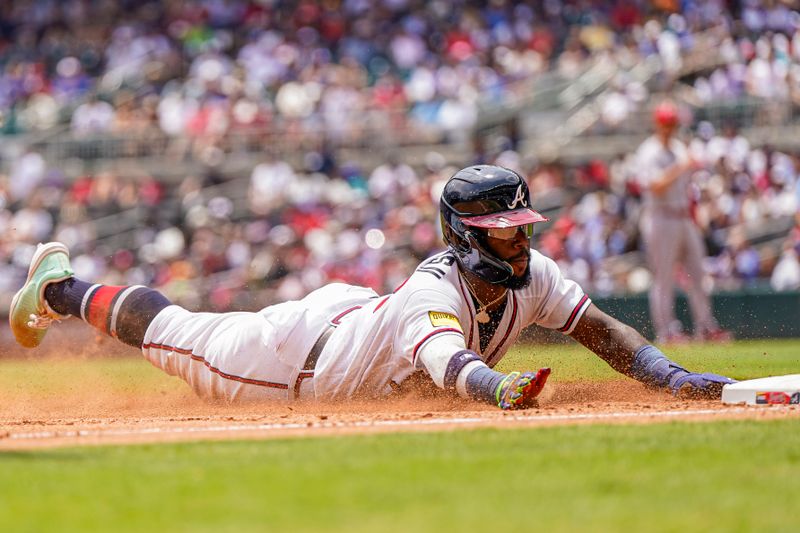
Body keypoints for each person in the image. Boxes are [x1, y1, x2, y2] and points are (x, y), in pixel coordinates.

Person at [9, 166, 736, 409]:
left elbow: (598, 327)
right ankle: (59, 288)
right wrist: (500, 391)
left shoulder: (531, 273)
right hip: (288, 362)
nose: (521, 236)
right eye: (505, 226)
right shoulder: (436, 291)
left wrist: (667, 374)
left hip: (352, 317)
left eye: (522, 223)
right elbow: (455, 367)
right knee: (173, 329)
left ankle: (63, 287)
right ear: (469, 233)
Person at [634, 101, 733, 344]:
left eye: (673, 123)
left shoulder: (678, 147)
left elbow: (687, 185)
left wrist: (694, 212)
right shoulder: (649, 151)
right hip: (660, 217)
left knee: (698, 273)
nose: (670, 127)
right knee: (664, 276)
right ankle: (667, 331)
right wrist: (680, 167)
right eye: (666, 123)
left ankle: (706, 327)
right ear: (657, 123)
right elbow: (654, 186)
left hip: (683, 216)